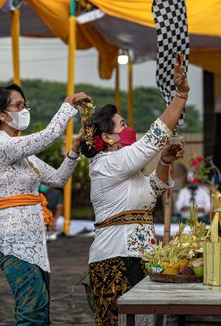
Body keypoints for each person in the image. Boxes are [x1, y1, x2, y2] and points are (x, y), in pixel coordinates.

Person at [81, 63, 189, 326]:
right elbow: (154, 137)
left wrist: (163, 162)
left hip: (142, 255)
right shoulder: (106, 164)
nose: (128, 128)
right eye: (122, 124)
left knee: (145, 322)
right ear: (107, 138)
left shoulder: (126, 168)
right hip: (115, 258)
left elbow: (152, 191)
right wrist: (181, 96)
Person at [0, 84, 90, 325]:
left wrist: (75, 150)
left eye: (25, 105)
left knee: (39, 309)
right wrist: (67, 106)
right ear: (1, 114)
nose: (24, 109)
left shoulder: (24, 154)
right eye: (17, 105)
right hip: (14, 239)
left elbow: (58, 179)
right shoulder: (2, 147)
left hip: (34, 238)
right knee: (32, 311)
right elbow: (48, 136)